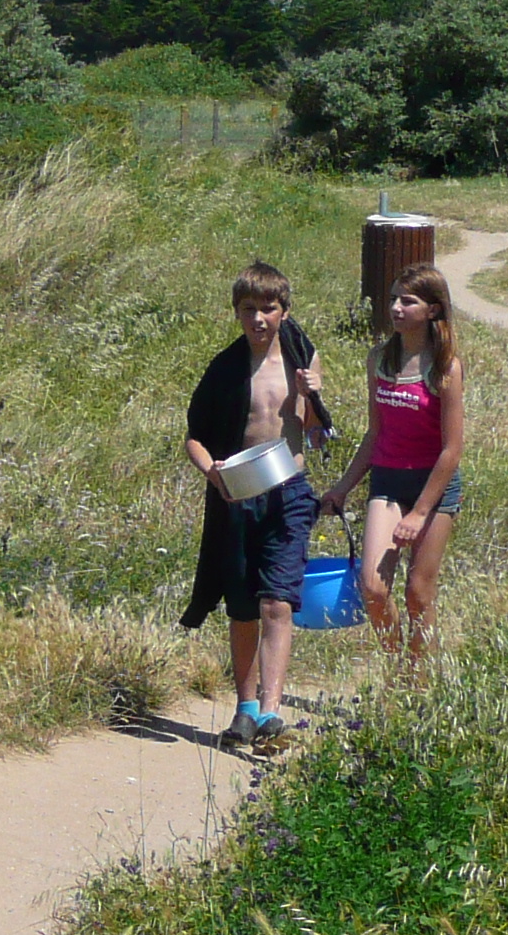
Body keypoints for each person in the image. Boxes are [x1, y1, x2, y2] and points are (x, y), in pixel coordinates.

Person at [182, 261, 332, 747]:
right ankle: (245, 710)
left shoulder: (303, 359)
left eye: (269, 308)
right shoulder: (225, 368)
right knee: (242, 608)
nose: (259, 318)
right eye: (250, 309)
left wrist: (312, 400)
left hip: (289, 491)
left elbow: (316, 434)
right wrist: (214, 474)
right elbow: (195, 439)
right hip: (238, 492)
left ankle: (271, 711)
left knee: (278, 603)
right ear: (237, 313)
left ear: (285, 312)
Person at [322, 266, 468, 674]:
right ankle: (398, 669)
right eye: (393, 299)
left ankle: (418, 680)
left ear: (433, 309)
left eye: (408, 300)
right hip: (387, 480)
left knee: (418, 593)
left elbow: (452, 450)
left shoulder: (445, 367)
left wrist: (420, 512)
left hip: (433, 488)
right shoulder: (379, 360)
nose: (396, 308)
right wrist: (342, 488)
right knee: (372, 588)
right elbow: (375, 432)